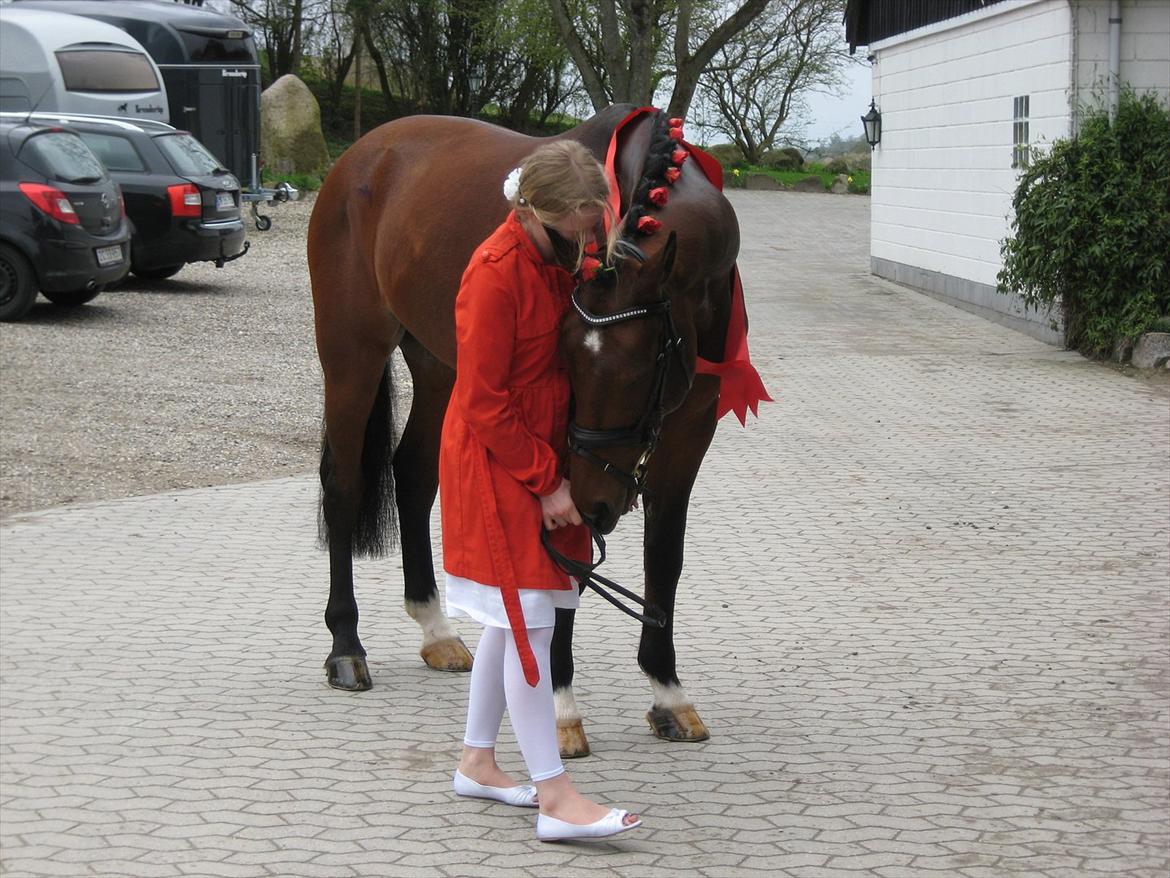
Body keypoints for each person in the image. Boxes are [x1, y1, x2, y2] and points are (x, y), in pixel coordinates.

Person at [438, 140, 642, 843]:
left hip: (537, 453)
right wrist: (548, 480)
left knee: (511, 617)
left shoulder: (553, 256)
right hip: (500, 462)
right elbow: (483, 400)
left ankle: (477, 761)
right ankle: (556, 797)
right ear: (535, 210)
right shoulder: (493, 274)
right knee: (530, 625)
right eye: (578, 229)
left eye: (593, 228)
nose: (587, 243)